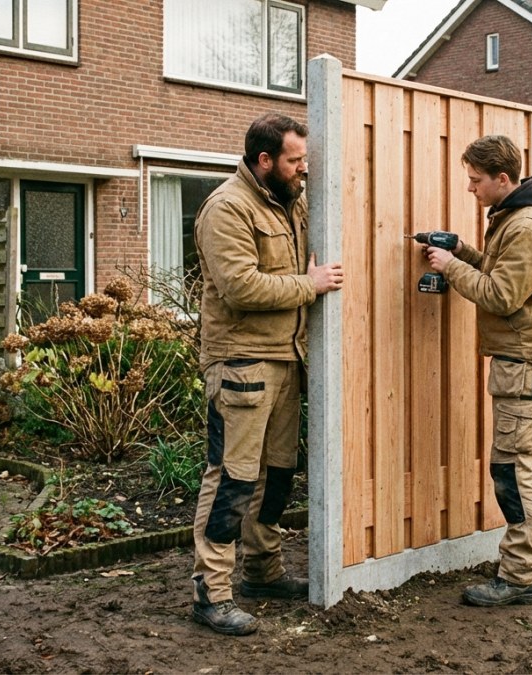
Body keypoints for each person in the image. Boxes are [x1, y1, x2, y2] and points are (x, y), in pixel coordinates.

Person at [191, 113, 344, 635]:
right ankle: (211, 593)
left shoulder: (290, 201)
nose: (305, 169)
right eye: (295, 160)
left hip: (286, 360)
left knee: (277, 477)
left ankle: (263, 572)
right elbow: (241, 288)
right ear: (264, 161)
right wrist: (311, 283)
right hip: (241, 364)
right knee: (232, 479)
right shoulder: (227, 208)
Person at [416, 134, 532, 606]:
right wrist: (461, 250)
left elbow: (502, 296)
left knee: (511, 468)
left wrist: (450, 268)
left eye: (475, 180)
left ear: (503, 179)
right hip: (527, 358)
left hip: (521, 362)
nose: (470, 188)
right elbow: (504, 275)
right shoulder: (520, 219)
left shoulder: (526, 228)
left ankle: (519, 577)